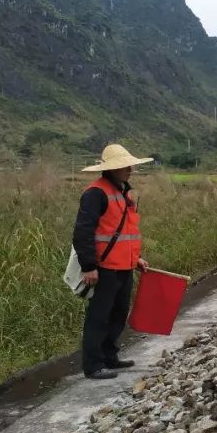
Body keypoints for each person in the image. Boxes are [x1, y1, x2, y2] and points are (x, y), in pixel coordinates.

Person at [72, 144, 152, 379]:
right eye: (125, 166)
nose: (130, 170)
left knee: (118, 314)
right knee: (99, 316)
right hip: (104, 268)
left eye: (130, 165)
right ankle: (93, 365)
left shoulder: (123, 192)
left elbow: (124, 232)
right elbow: (83, 231)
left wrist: (135, 258)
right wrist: (89, 266)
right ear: (111, 169)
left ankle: (110, 356)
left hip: (124, 266)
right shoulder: (95, 193)